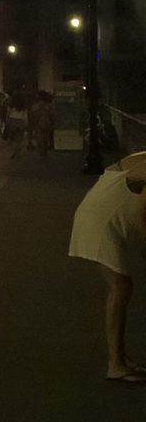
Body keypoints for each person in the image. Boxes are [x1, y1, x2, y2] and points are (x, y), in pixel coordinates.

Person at [68, 153, 146, 382]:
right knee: (121, 288)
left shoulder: (141, 158)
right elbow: (142, 214)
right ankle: (115, 364)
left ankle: (120, 359)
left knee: (122, 288)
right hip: (99, 222)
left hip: (97, 215)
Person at [30, 91, 55, 157]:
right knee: (46, 138)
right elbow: (52, 115)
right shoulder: (49, 105)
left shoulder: (35, 106)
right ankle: (45, 152)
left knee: (40, 139)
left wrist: (33, 123)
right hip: (47, 123)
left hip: (38, 124)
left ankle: (41, 153)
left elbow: (32, 115)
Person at [5, 92, 28, 158]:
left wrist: (7, 123)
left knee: (13, 139)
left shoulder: (11, 106)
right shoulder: (23, 107)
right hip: (21, 122)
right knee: (20, 139)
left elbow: (7, 115)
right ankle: (18, 153)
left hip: (12, 122)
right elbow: (25, 117)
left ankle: (14, 152)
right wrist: (26, 124)